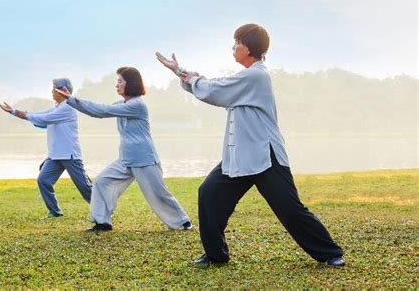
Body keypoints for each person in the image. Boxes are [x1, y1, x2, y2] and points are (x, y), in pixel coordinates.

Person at [155, 23, 345, 266]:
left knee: (289, 208)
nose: (233, 47)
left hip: (265, 155)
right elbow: (216, 91)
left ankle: (330, 253)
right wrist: (181, 72)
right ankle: (215, 255)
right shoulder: (246, 78)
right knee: (209, 193)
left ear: (250, 48)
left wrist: (183, 72)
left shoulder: (256, 75)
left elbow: (215, 89)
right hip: (240, 156)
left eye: (237, 42)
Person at [55, 67, 192, 232]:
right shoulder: (122, 104)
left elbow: (102, 111)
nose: (117, 85)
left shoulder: (137, 105)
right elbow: (98, 109)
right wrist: (72, 100)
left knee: (158, 193)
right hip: (126, 159)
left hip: (144, 158)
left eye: (120, 81)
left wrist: (71, 99)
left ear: (130, 83)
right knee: (102, 181)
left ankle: (183, 222)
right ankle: (102, 221)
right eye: (117, 81)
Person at [0, 78, 92, 218]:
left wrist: (16, 112)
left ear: (63, 90)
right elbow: (39, 115)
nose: (52, 91)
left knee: (85, 188)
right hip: (55, 155)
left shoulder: (68, 107)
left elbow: (43, 119)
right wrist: (13, 111)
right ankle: (55, 212)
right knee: (43, 180)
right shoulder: (57, 107)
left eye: (54, 88)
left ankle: (104, 207)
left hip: (70, 154)